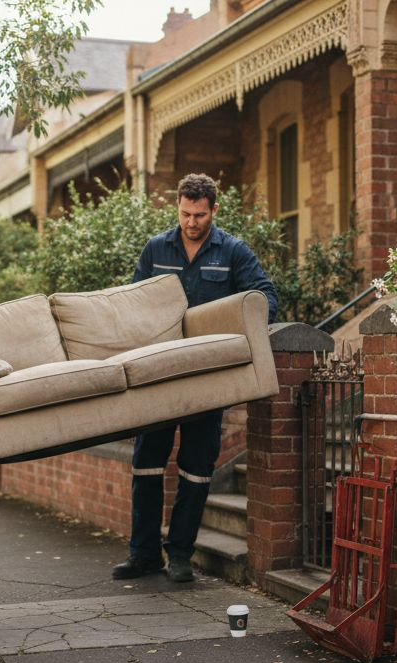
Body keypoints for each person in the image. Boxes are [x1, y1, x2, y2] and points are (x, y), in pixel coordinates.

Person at [112, 174, 278, 583]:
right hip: (159, 372)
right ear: (178, 208)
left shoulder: (234, 251)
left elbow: (265, 298)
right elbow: (136, 301)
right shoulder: (156, 249)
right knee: (147, 464)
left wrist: (240, 329)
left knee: (197, 466)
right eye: (185, 214)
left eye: (199, 215)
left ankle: (181, 555)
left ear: (214, 211)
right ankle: (144, 555)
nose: (190, 222)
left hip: (207, 376)